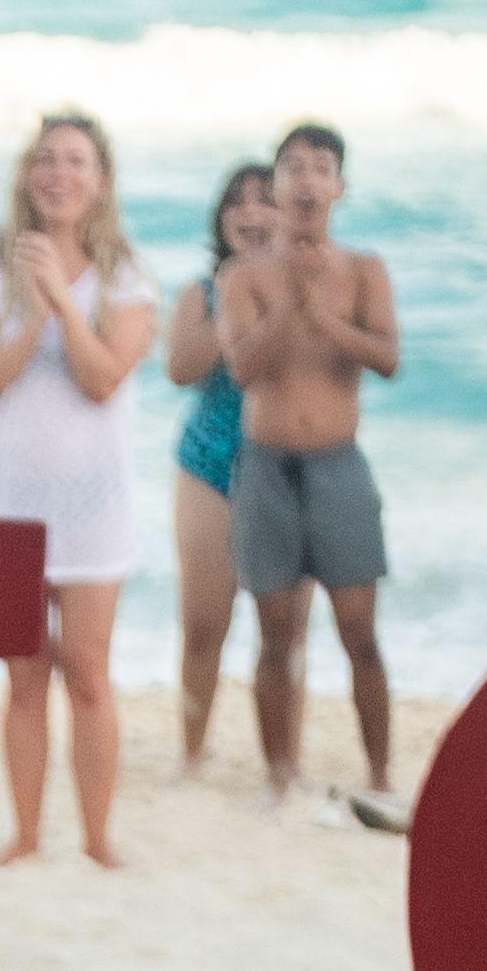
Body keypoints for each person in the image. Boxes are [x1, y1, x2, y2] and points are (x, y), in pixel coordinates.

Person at [0, 110, 162, 864]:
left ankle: (99, 835)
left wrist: (65, 304)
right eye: (46, 159)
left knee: (87, 669)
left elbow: (104, 377)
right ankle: (28, 833)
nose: (59, 174)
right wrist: (32, 310)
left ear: (99, 181)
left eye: (76, 161)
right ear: (26, 175)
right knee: (24, 677)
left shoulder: (127, 278)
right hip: (8, 503)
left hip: (93, 507)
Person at [227, 122, 405, 825]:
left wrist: (323, 319)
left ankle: (382, 771)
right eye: (292, 167)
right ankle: (279, 775)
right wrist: (291, 308)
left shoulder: (364, 271)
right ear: (274, 186)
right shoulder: (243, 276)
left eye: (320, 167)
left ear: (339, 188)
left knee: (360, 632)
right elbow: (241, 367)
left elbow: (388, 358)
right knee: (275, 634)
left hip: (339, 466)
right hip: (266, 467)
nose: (305, 180)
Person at [163, 160, 278, 765]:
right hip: (207, 464)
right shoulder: (201, 294)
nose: (252, 213)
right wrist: (237, 289)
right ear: (221, 217)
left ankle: (280, 765)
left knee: (282, 635)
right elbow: (181, 368)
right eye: (238, 201)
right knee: (204, 625)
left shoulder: (306, 288)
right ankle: (191, 753)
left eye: (267, 201)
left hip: (286, 468)